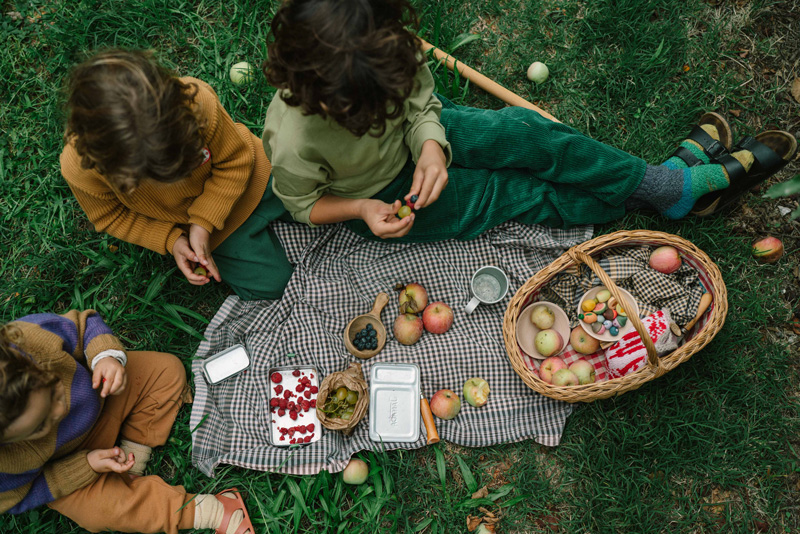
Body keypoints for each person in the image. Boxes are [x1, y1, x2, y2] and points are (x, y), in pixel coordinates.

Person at [261, 0, 796, 242]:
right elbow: (304, 205)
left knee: (529, 133)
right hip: (389, 195)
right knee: (517, 194)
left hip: (426, 142)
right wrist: (365, 209)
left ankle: (662, 186)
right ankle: (667, 190)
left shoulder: (384, 52)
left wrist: (428, 143)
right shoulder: (294, 140)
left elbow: (422, 102)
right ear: (317, 95)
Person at [61, 49, 293, 300]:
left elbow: (235, 160)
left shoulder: (198, 104)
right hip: (211, 233)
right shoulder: (82, 169)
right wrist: (172, 240)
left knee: (326, 200)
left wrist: (203, 220)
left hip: (255, 176)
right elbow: (112, 217)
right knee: (274, 286)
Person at [0, 309, 254, 534]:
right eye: (41, 425)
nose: (61, 408)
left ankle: (130, 466)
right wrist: (85, 465)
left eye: (55, 391)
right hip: (69, 464)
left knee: (166, 371)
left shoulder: (27, 339)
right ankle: (215, 511)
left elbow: (83, 325)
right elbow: (26, 495)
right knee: (99, 512)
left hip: (103, 396)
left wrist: (104, 358)